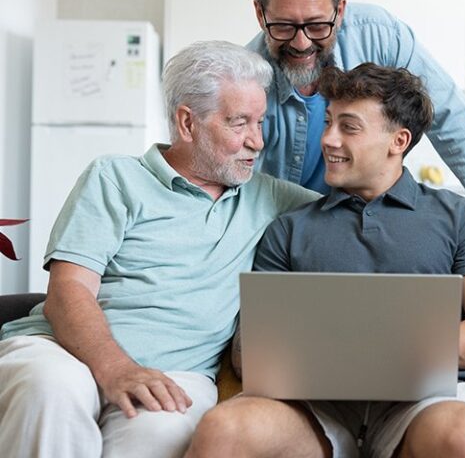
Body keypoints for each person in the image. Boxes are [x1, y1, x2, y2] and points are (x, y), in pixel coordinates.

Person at [185, 63, 465, 458]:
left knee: (463, 434)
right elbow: (250, 352)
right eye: (328, 122)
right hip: (314, 405)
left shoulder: (459, 218)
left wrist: (378, 350)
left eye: (349, 126)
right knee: (223, 428)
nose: (328, 139)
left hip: (426, 401)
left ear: (398, 141)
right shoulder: (288, 228)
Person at [0, 41, 319, 458]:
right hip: (61, 350)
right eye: (239, 123)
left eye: (260, 122)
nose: (256, 142)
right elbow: (69, 291)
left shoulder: (273, 200)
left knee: (158, 431)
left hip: (177, 373)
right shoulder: (115, 177)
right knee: (50, 387)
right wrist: (116, 368)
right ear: (188, 123)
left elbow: (355, 212)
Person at [246, 0, 465, 258]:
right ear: (261, 14)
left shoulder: (379, 34)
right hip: (293, 235)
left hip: (369, 220)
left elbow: (449, 113)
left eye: (317, 26)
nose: (301, 43)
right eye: (284, 26)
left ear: (340, 11)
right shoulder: (247, 79)